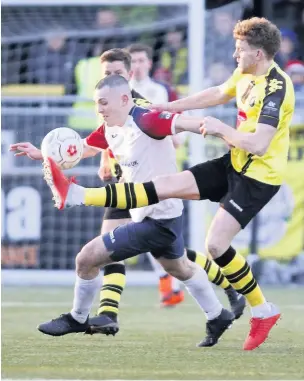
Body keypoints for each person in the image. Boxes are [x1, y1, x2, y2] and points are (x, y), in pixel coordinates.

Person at [42, 17, 295, 351]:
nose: (235, 55)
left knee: (215, 246)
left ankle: (262, 310)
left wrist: (221, 130)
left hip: (258, 176)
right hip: (232, 164)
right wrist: (165, 106)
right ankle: (219, 312)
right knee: (165, 191)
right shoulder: (247, 74)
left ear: (259, 53)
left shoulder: (277, 87)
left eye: (241, 50)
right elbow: (218, 93)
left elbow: (260, 144)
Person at [10, 49, 245, 333]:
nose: (99, 109)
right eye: (97, 103)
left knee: (87, 258)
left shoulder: (145, 118)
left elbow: (183, 123)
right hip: (149, 210)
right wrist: (43, 154)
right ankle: (217, 314)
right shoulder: (110, 126)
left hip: (157, 217)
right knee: (180, 267)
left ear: (124, 95)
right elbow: (82, 148)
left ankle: (79, 317)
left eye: (103, 103)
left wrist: (222, 131)